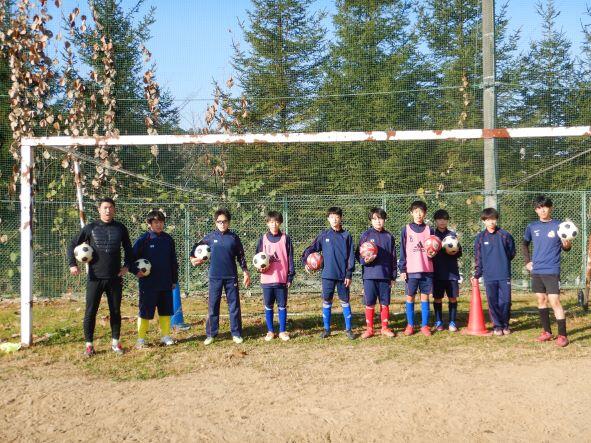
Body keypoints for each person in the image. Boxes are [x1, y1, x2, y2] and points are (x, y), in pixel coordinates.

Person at [68, 197, 133, 357]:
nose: (107, 210)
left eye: (110, 207)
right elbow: (72, 244)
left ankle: (115, 342)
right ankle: (89, 345)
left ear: (114, 209)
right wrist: (72, 264)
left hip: (115, 278)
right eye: (104, 207)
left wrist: (127, 266)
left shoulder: (120, 228)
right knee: (90, 311)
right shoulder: (90, 228)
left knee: (115, 311)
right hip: (95, 278)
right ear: (99, 210)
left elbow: (128, 248)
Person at [190, 209, 250, 345]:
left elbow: (241, 256)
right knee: (213, 305)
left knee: (234, 306)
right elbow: (195, 247)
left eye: (224, 221)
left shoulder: (234, 238)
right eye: (219, 222)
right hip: (214, 277)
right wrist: (192, 258)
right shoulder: (210, 238)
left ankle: (236, 333)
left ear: (229, 222)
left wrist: (245, 271)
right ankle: (211, 334)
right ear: (215, 222)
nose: (222, 224)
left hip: (231, 277)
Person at [523, 195, 572, 347]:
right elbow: (524, 244)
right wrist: (527, 261)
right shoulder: (532, 226)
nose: (542, 210)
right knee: (541, 300)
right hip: (537, 269)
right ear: (536, 210)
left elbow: (566, 247)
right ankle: (547, 332)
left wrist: (566, 245)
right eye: (539, 208)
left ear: (550, 208)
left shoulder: (559, 225)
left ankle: (562, 335)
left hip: (551, 269)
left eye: (545, 207)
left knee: (554, 301)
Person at [302, 207, 355, 339]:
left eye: (337, 217)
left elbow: (351, 256)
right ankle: (326, 329)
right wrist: (306, 261)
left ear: (341, 218)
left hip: (343, 276)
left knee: (345, 301)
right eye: (331, 217)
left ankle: (349, 329)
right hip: (327, 275)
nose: (334, 219)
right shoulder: (324, 235)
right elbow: (310, 249)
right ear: (328, 219)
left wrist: (349, 274)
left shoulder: (346, 236)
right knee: (326, 301)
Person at [133, 209, 179, 348]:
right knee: (145, 312)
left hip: (165, 282)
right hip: (148, 284)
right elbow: (131, 258)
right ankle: (141, 339)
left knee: (165, 311)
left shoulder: (168, 239)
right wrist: (135, 271)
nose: (159, 225)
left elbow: (173, 261)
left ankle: (165, 336)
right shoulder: (143, 240)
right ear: (149, 224)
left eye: (161, 222)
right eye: (155, 222)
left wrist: (174, 280)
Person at [472, 208, 516, 336]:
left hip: (504, 274)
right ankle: (497, 326)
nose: (491, 222)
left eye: (493, 219)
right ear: (484, 221)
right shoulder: (480, 237)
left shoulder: (505, 235)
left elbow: (511, 253)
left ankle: (505, 325)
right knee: (493, 301)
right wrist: (477, 274)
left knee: (506, 301)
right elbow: (478, 257)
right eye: (488, 219)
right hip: (489, 275)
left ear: (496, 219)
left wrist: (502, 261)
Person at [255, 211, 295, 341]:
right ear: (267, 223)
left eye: (276, 222)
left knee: (282, 305)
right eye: (271, 222)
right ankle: (270, 331)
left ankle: (282, 331)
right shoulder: (263, 239)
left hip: (281, 279)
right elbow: (257, 257)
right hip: (267, 279)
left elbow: (290, 258)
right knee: (268, 305)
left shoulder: (285, 238)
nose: (274, 224)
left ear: (280, 223)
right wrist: (259, 268)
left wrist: (290, 276)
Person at [358, 207, 397, 339]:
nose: (378, 221)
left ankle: (384, 328)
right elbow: (359, 254)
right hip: (369, 276)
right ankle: (370, 329)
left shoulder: (389, 236)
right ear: (371, 221)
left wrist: (393, 276)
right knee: (369, 302)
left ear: (384, 220)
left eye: (380, 218)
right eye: (374, 219)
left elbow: (393, 257)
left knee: (385, 302)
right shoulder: (366, 235)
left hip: (385, 276)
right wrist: (364, 260)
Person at [398, 200, 435, 336]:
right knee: (410, 297)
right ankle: (410, 325)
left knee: (425, 297)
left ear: (425, 213)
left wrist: (433, 253)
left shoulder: (430, 229)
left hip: (426, 269)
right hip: (411, 270)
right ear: (411, 213)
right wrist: (402, 269)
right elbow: (403, 250)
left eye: (421, 212)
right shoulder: (406, 229)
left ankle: (425, 326)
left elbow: (434, 249)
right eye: (416, 212)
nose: (419, 214)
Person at [432, 209, 462, 332]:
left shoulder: (452, 235)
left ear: (447, 221)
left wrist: (453, 251)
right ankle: (438, 321)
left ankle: (452, 322)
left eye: (445, 219)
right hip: (437, 272)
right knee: (437, 298)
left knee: (452, 297)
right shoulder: (432, 235)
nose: (442, 221)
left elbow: (459, 252)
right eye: (439, 219)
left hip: (451, 272)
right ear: (435, 221)